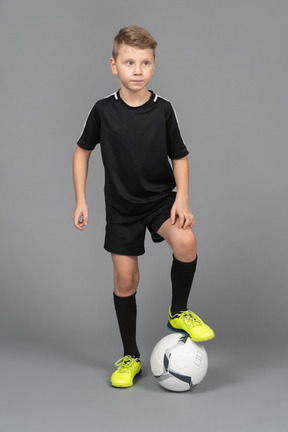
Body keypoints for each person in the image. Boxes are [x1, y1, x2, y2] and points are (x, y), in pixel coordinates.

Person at [72, 25, 214, 388]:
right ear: (113, 65)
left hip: (160, 200)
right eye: (129, 62)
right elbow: (82, 151)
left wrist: (181, 199)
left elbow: (179, 156)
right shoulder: (103, 110)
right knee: (125, 280)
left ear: (154, 66)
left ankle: (178, 311)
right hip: (121, 209)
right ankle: (130, 357)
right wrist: (81, 199)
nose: (137, 70)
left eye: (145, 62)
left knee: (186, 242)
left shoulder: (162, 110)